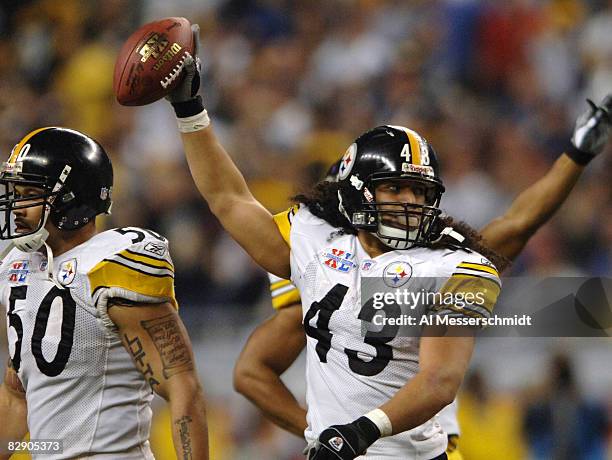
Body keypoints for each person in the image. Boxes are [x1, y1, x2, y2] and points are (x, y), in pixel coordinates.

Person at [165, 27, 611, 459]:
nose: (411, 202)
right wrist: (190, 108)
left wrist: (358, 432)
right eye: (396, 189)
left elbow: (440, 379)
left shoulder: (451, 265)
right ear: (358, 190)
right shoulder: (314, 239)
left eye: (420, 192)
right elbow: (229, 199)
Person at [0, 127, 209, 459]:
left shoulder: (113, 264)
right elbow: (17, 395)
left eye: (29, 193)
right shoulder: (18, 266)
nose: (15, 206)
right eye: (16, 191)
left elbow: (182, 385)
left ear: (69, 198)